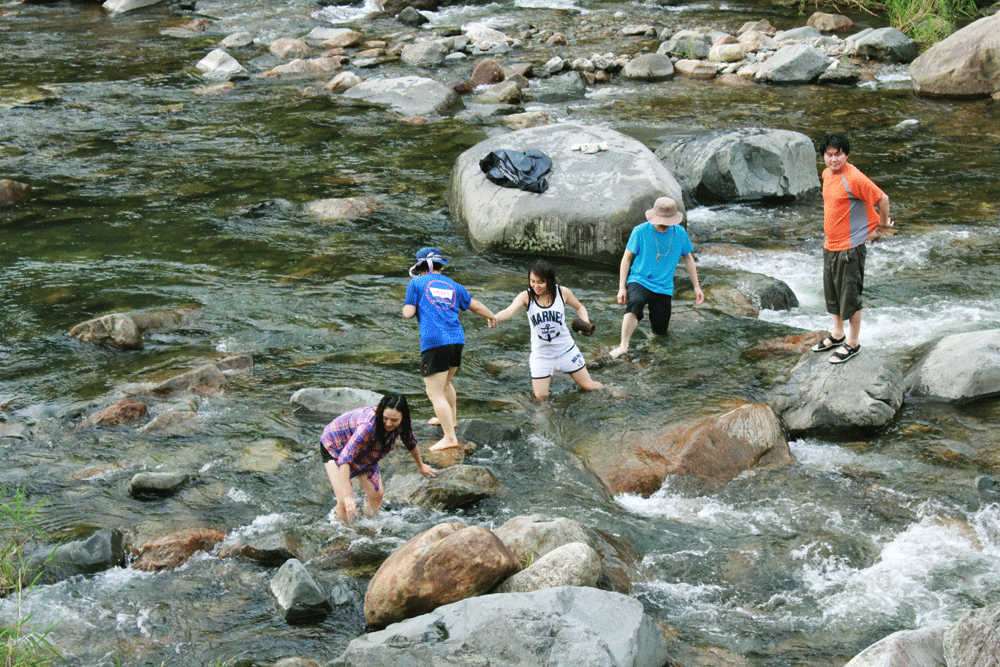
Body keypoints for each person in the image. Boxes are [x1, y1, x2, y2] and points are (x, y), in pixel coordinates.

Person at [403, 247, 497, 451]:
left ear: (419, 267)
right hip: (457, 340)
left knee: (434, 392)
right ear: (442, 266)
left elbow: (409, 313)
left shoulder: (416, 283)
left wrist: (408, 306)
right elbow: (476, 305)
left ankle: (449, 437)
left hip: (435, 341)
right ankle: (450, 419)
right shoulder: (453, 285)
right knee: (446, 382)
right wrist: (491, 316)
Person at [811, 133, 892, 364]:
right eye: (829, 155)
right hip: (831, 246)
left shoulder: (854, 177)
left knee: (851, 298)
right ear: (824, 156)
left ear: (846, 155)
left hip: (850, 249)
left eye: (838, 154)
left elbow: (882, 198)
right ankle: (838, 334)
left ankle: (853, 343)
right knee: (833, 294)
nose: (834, 159)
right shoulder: (827, 174)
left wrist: (883, 224)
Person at [494, 259, 604, 399]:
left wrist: (585, 323)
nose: (535, 285)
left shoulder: (562, 292)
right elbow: (509, 311)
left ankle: (612, 391)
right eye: (532, 281)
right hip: (541, 356)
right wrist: (495, 317)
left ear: (550, 281)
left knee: (589, 386)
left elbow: (579, 307)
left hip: (566, 351)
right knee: (541, 399)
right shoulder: (526, 296)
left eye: (540, 282)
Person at [610, 196, 705, 358]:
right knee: (635, 302)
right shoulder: (640, 231)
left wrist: (696, 287)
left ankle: (649, 349)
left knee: (660, 332)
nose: (662, 226)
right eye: (660, 221)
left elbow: (688, 258)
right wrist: (621, 287)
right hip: (640, 279)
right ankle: (623, 346)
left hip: (664, 287)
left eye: (666, 222)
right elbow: (626, 258)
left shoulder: (680, 234)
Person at [320, 392, 435, 523]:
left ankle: (368, 526)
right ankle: (343, 534)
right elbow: (345, 458)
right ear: (380, 412)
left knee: (377, 495)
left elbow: (410, 441)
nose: (389, 424)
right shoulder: (368, 426)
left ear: (403, 417)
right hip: (335, 444)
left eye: (394, 420)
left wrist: (421, 465)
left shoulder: (403, 424)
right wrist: (348, 496)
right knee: (343, 501)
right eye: (385, 418)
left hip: (364, 449)